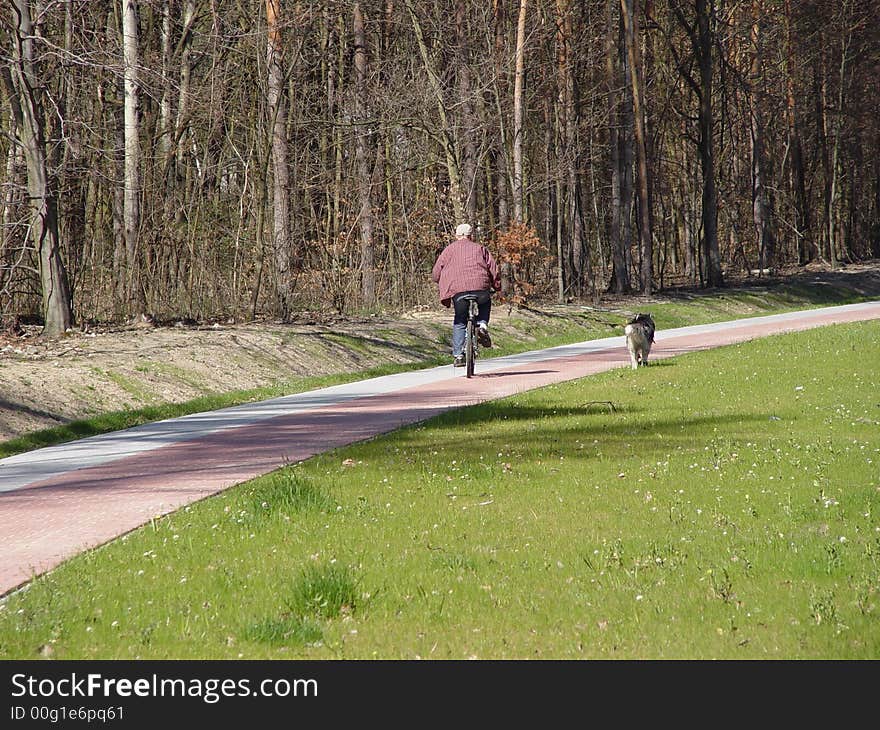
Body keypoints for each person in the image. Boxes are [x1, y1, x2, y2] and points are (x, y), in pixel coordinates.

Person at [432, 223, 501, 367]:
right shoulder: (480, 249)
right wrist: (496, 286)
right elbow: (493, 269)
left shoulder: (448, 250)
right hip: (480, 288)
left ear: (457, 236)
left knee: (460, 320)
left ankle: (458, 356)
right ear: (471, 236)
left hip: (458, 291)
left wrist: (440, 281)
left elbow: (436, 272)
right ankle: (482, 325)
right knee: (485, 301)